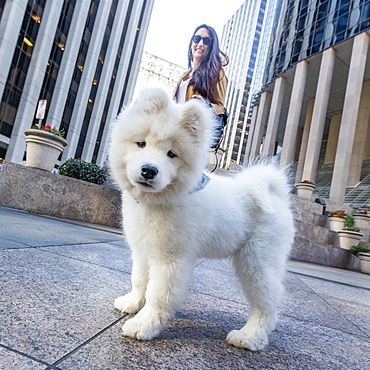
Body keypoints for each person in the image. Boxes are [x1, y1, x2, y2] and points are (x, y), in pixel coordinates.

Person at [174, 24, 229, 149]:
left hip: (193, 137)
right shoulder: (185, 76)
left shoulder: (217, 72)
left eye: (206, 40)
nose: (200, 44)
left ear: (211, 46)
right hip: (176, 132)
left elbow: (220, 107)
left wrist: (204, 106)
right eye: (197, 39)